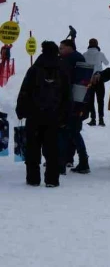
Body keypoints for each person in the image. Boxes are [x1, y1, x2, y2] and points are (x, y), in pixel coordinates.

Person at [16, 41, 71, 188]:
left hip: (34, 115)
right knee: (52, 148)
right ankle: (52, 179)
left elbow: (25, 91)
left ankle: (33, 178)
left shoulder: (34, 69)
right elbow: (67, 95)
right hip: (54, 116)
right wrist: (65, 115)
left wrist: (20, 110)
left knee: (33, 147)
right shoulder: (61, 70)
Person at [58, 39, 88, 175]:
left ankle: (76, 161)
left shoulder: (69, 61)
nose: (60, 50)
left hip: (71, 102)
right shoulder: (79, 59)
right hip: (79, 101)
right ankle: (75, 160)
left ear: (70, 48)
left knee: (69, 131)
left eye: (62, 48)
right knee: (73, 132)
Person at [84, 39, 109, 127]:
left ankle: (93, 119)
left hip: (89, 80)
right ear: (97, 44)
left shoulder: (85, 54)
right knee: (100, 100)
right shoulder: (100, 54)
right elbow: (107, 63)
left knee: (90, 100)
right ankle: (101, 119)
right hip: (99, 78)